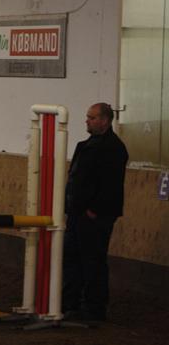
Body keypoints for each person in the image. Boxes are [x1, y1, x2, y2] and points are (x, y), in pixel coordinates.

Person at [62, 103, 129, 322]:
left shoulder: (113, 148)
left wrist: (94, 210)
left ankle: (94, 308)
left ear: (105, 120)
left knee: (92, 261)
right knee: (73, 258)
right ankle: (71, 303)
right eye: (88, 117)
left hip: (93, 216)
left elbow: (110, 185)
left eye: (91, 118)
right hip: (77, 213)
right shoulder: (88, 145)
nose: (87, 121)